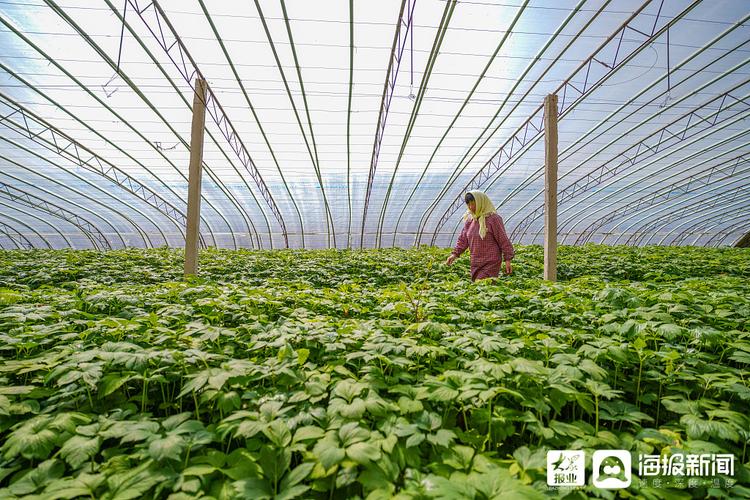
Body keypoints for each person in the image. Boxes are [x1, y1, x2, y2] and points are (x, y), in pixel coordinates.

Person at [445, 190, 514, 281]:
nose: (471, 207)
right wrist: (454, 254)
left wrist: (508, 260)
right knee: (481, 290)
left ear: (481, 202)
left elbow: (503, 240)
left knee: (482, 286)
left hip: (490, 263)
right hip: (475, 263)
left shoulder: (493, 219)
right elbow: (463, 240)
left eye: (473, 204)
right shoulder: (470, 221)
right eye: (468, 204)